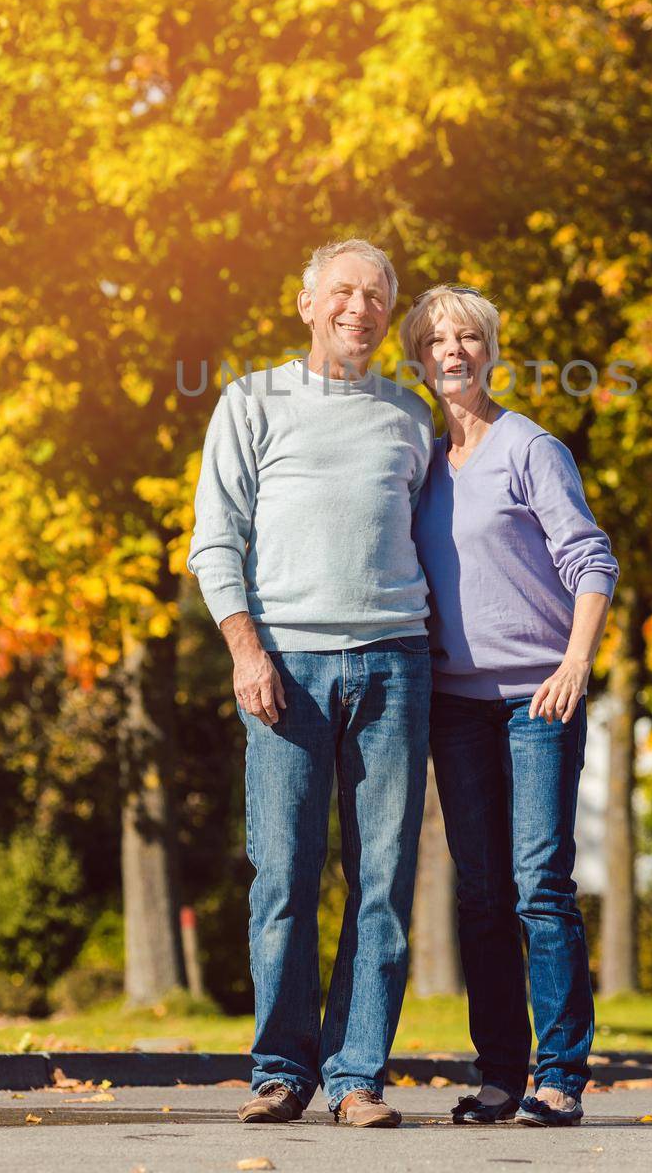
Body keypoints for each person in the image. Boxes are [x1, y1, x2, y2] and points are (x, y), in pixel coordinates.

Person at [187, 238, 435, 1128]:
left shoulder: (410, 418)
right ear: (305, 303)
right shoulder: (249, 403)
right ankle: (279, 1070)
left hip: (395, 664)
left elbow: (435, 548)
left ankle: (357, 1073)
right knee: (285, 873)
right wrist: (247, 651)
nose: (357, 308)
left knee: (383, 875)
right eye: (342, 291)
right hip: (285, 667)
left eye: (375, 295)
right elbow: (214, 540)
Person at [401, 283, 619, 1129]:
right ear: (418, 359)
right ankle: (499, 1075)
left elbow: (590, 560)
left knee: (539, 887)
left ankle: (559, 1074)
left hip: (538, 697)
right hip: (454, 704)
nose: (452, 351)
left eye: (467, 337)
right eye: (436, 340)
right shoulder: (422, 460)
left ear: (490, 351)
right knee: (481, 894)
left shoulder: (532, 448)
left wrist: (576, 661)